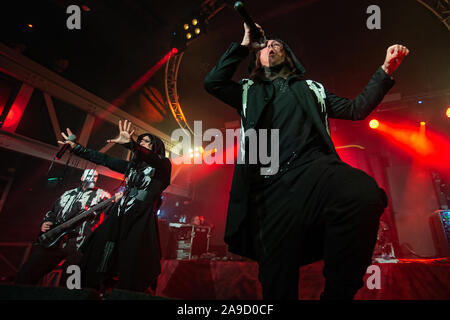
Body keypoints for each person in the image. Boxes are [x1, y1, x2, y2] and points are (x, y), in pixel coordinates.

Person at [203, 23, 409, 300]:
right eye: (264, 46)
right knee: (278, 275)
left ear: (287, 55)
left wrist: (384, 71)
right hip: (271, 185)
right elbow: (213, 82)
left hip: (316, 169)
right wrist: (243, 44)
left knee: (363, 193)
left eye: (277, 45)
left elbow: (355, 109)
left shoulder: (312, 89)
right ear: (256, 58)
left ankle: (337, 294)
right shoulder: (248, 90)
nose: (270, 47)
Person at [58, 120, 172, 293]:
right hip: (119, 217)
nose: (142, 143)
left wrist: (131, 144)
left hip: (138, 220)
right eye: (140, 140)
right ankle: (95, 288)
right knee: (100, 251)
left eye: (147, 141)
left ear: (156, 147)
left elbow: (151, 158)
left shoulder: (163, 166)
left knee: (134, 262)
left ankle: (128, 293)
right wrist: (76, 148)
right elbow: (104, 159)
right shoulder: (131, 167)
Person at [15, 169, 110, 286]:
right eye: (89, 175)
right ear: (82, 177)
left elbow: (107, 214)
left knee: (71, 281)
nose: (92, 178)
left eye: (95, 177)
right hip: (55, 240)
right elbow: (52, 212)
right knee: (28, 271)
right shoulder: (68, 193)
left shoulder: (102, 195)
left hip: (79, 242)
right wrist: (46, 222)